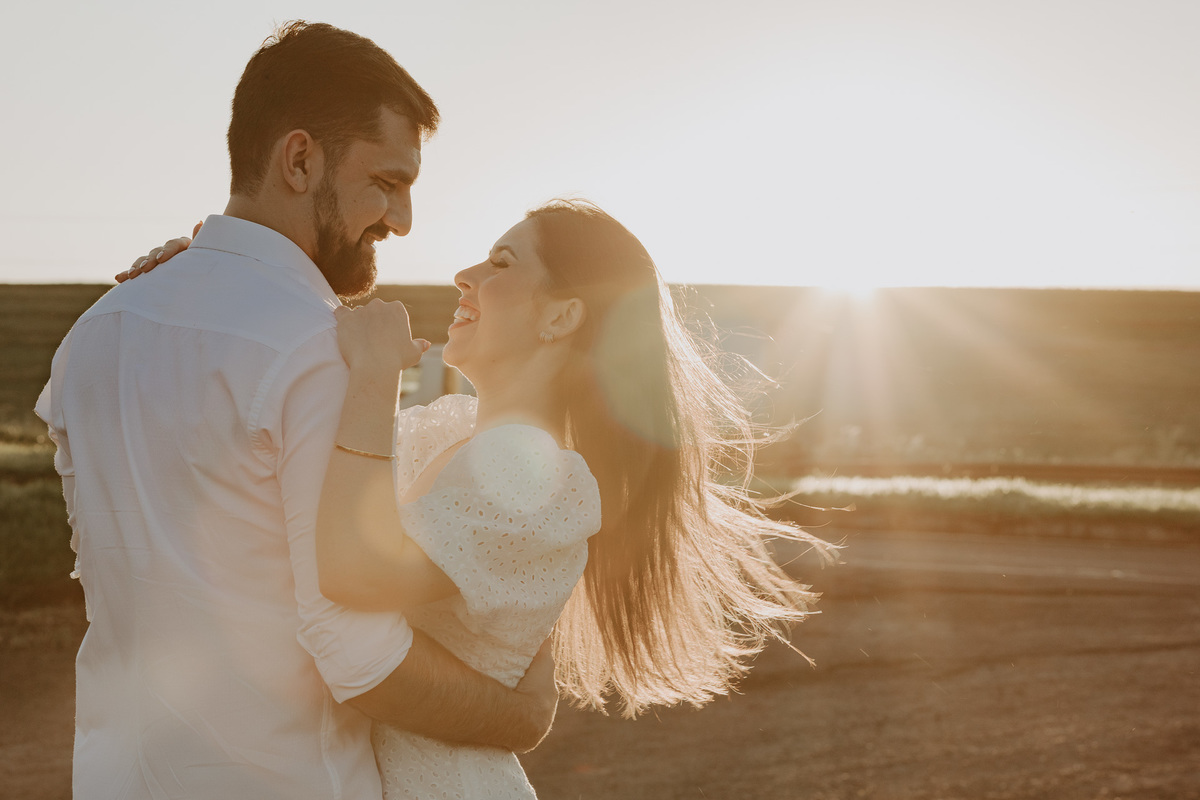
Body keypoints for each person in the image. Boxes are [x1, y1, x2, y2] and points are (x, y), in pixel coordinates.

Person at [134, 200, 834, 799]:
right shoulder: (447, 431)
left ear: (561, 317)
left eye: (502, 263)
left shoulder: (538, 476)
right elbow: (298, 471)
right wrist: (209, 285)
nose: (465, 275)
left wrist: (377, 375)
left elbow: (354, 573)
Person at [36, 21, 557, 800]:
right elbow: (356, 653)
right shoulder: (327, 353)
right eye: (386, 181)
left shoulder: (93, 335)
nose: (404, 219)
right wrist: (521, 716)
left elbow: (111, 572)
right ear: (300, 157)